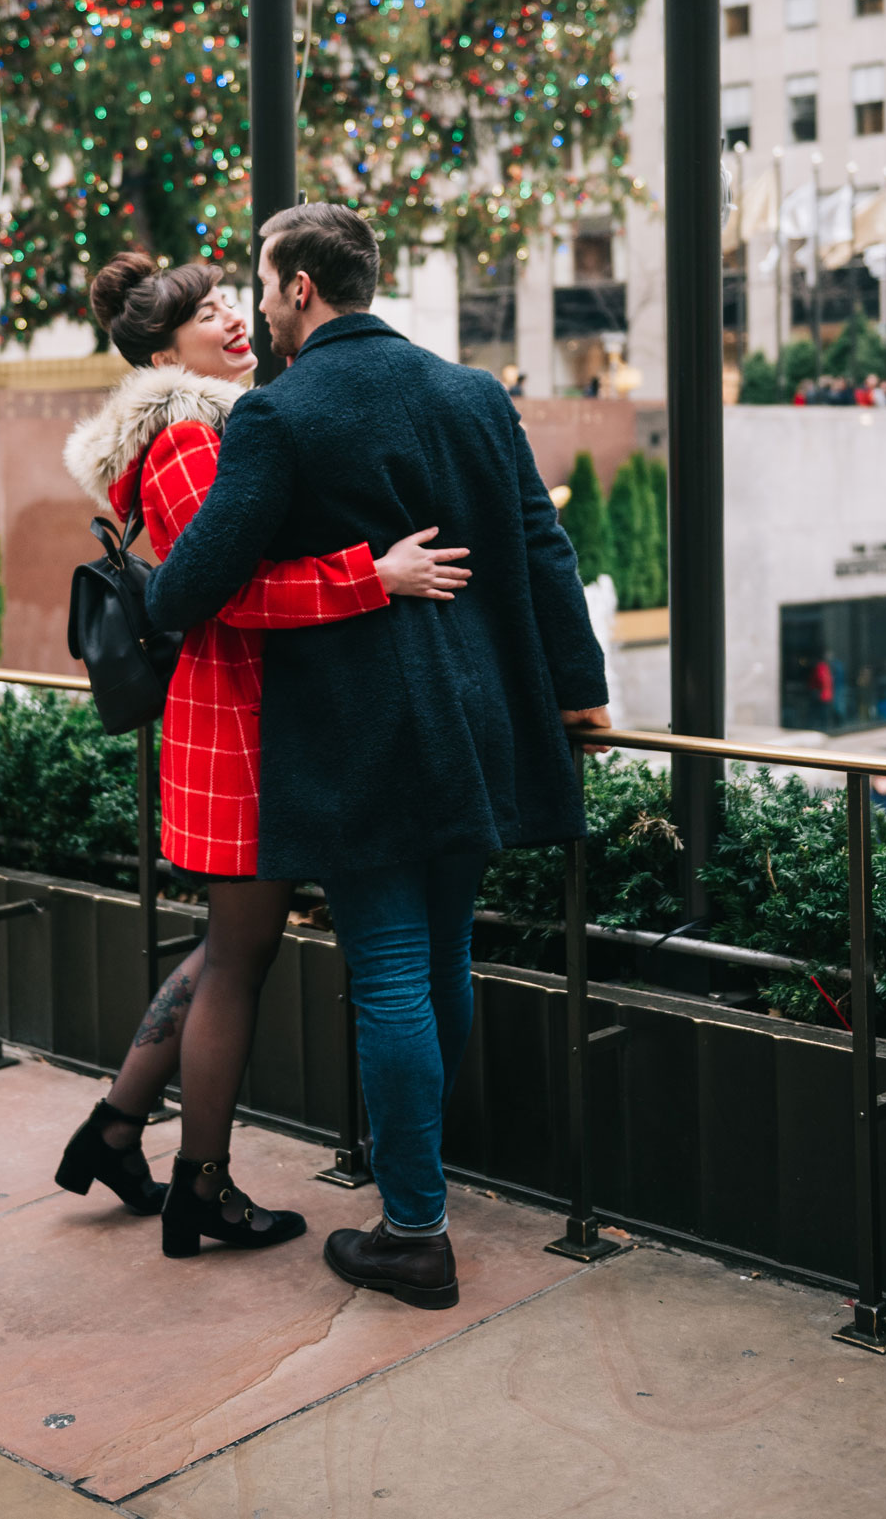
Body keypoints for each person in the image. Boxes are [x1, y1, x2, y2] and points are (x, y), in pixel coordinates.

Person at [145, 204, 611, 1312]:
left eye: (262, 285)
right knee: (441, 958)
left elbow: (181, 591)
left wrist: (340, 568)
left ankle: (412, 1230)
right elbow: (544, 546)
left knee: (394, 970)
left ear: (301, 287)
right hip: (482, 723)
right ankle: (421, 1191)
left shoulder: (279, 415)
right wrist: (579, 691)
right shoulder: (471, 393)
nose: (258, 306)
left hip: (362, 739)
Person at [55, 250, 469, 1261]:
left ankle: (115, 1131)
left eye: (229, 304)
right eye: (204, 316)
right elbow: (222, 592)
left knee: (221, 949)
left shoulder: (205, 424)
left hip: (237, 715)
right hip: (236, 718)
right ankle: (202, 1188)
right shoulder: (189, 437)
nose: (231, 321)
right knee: (236, 959)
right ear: (163, 349)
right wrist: (368, 574)